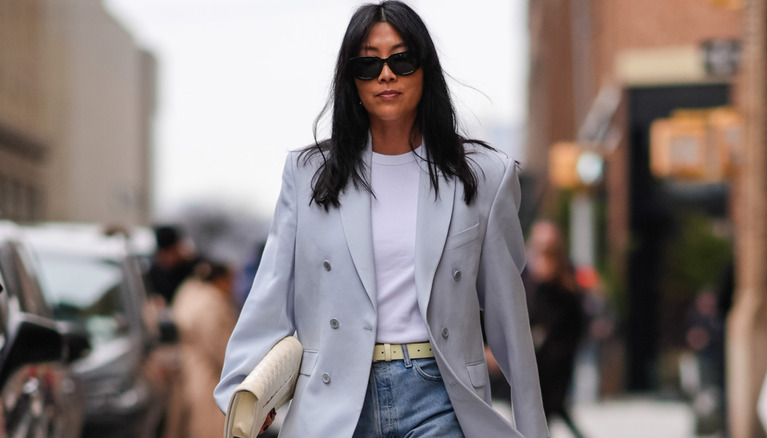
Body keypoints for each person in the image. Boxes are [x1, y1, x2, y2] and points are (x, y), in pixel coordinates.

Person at [214, 2, 547, 437]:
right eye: (368, 64)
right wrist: (242, 391)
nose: (386, 74)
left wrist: (533, 426)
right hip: (335, 397)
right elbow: (272, 291)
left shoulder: (484, 175)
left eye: (402, 60)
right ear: (351, 78)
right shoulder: (309, 174)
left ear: (425, 69)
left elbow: (508, 316)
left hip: (442, 395)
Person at [525, 221, 587, 438]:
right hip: (535, 357)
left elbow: (572, 318)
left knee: (550, 406)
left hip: (556, 357)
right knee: (541, 410)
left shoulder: (566, 276)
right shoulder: (526, 272)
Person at [165, 261, 238, 438]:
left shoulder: (188, 290)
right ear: (221, 278)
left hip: (185, 370)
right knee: (206, 428)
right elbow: (222, 349)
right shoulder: (211, 303)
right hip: (207, 374)